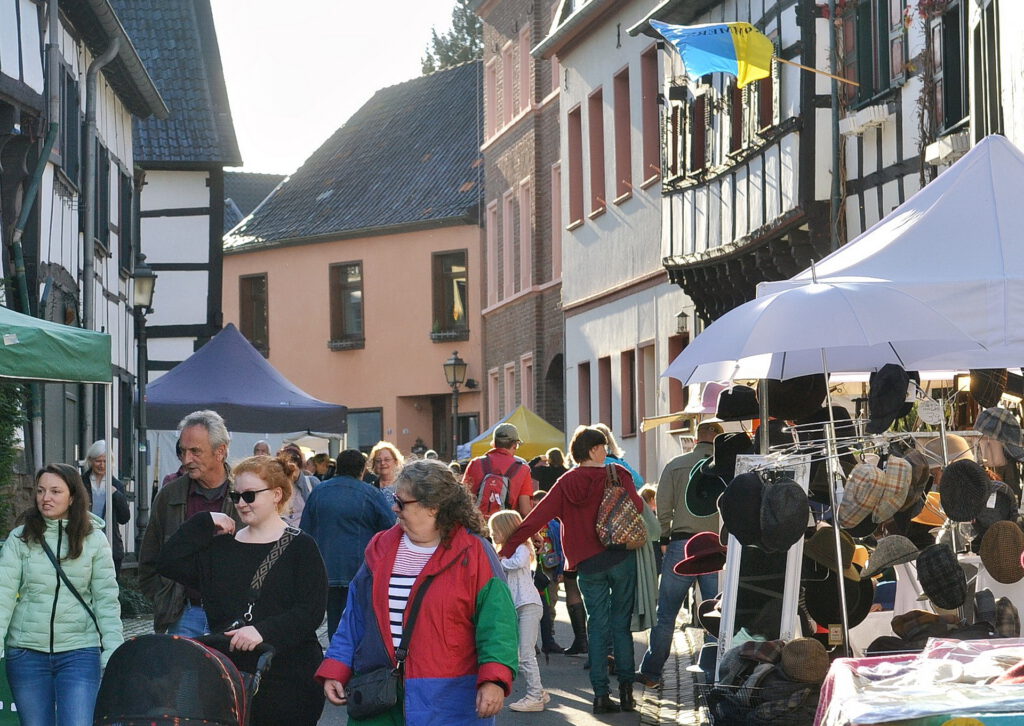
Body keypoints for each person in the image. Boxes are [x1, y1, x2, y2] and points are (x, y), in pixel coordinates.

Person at [317, 459, 519, 724]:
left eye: (401, 502)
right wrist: (337, 666)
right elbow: (354, 616)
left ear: (432, 507)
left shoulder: (476, 552)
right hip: (379, 697)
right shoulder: (380, 548)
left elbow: (498, 624)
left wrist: (494, 678)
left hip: (451, 701)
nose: (394, 507)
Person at [157, 454, 328, 726]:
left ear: (276, 495)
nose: (240, 504)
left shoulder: (301, 547)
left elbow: (311, 612)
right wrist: (203, 521)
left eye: (249, 496)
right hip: (230, 675)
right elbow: (167, 561)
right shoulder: (221, 547)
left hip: (289, 677)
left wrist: (262, 631)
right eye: (236, 496)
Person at [500, 426, 645, 714]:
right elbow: (638, 506)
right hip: (620, 558)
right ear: (593, 450)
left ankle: (601, 696)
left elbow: (536, 518)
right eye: (603, 446)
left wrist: (506, 547)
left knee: (598, 624)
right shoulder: (618, 474)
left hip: (588, 562)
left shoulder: (567, 482)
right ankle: (627, 692)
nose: (606, 451)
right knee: (620, 624)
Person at [0, 463, 123, 725]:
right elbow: (3, 595)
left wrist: (113, 650)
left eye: (56, 491)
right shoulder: (20, 538)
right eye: (41, 490)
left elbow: (106, 599)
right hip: (26, 653)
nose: (46, 498)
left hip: (79, 652)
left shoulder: (95, 540)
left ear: (73, 497)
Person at [139, 410, 242, 636]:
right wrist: (164, 599)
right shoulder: (169, 495)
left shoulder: (245, 494)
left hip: (234, 618)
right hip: (183, 615)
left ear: (220, 451)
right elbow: (149, 559)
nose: (186, 460)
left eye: (195, 451)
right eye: (183, 451)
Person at [637, 422, 724, 688]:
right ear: (718, 439)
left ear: (697, 438)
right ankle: (713, 674)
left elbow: (663, 507)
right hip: (716, 547)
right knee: (716, 613)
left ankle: (652, 672)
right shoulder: (727, 466)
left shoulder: (675, 464)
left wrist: (665, 537)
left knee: (667, 613)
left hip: (681, 544)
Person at [300, 449, 395, 637]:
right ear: (362, 471)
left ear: (337, 468)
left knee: (335, 623)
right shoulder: (371, 494)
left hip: (326, 568)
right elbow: (391, 528)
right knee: (361, 621)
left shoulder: (319, 491)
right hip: (361, 568)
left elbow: (305, 530)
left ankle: (336, 660)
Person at [489, 509, 548, 712]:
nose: (493, 535)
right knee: (522, 653)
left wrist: (500, 561)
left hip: (528, 604)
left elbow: (518, 563)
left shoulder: (521, 548)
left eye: (496, 530)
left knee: (525, 654)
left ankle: (534, 697)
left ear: (506, 529)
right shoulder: (507, 551)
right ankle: (538, 691)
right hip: (520, 606)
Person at [81, 439, 131, 576]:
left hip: (109, 544)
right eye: (98, 461)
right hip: (84, 541)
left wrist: (116, 495)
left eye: (105, 461)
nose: (102, 465)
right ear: (90, 460)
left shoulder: (117, 485)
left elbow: (124, 518)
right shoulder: (80, 483)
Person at [462, 423, 533, 517]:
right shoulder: (523, 469)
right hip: (505, 528)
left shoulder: (475, 463)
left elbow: (462, 499)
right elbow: (525, 510)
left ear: (494, 444)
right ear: (515, 445)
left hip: (476, 526)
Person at [530, 490, 565, 655]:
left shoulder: (554, 525)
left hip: (550, 569)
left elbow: (561, 548)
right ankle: (531, 641)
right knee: (532, 608)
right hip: (534, 571)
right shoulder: (529, 523)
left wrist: (560, 570)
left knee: (550, 606)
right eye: (534, 506)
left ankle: (548, 639)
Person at [593, 423, 643, 491]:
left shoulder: (582, 465)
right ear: (610, 441)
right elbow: (639, 482)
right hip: (615, 500)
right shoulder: (618, 463)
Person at [278, 444, 317, 527]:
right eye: (288, 470)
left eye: (293, 469)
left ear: (299, 467)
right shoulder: (278, 485)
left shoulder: (312, 482)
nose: (291, 474)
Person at [367, 440, 404, 508]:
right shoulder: (370, 489)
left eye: (387, 460)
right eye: (378, 460)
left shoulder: (404, 486)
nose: (382, 463)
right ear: (374, 464)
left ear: (396, 461)